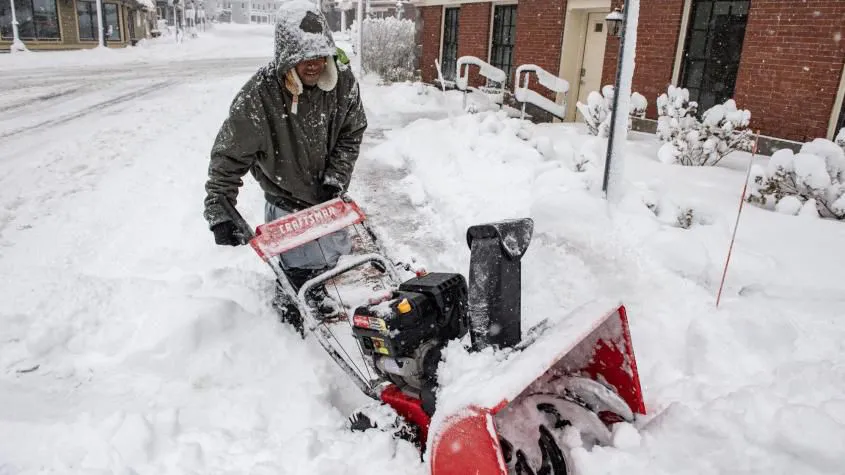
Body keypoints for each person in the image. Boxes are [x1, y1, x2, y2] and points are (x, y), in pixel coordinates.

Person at [202, 0, 367, 327]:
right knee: (298, 279)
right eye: (304, 57)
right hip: (287, 208)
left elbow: (353, 130)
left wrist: (336, 178)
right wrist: (220, 209)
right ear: (287, 56)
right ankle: (291, 329)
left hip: (327, 202)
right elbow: (229, 156)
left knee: (330, 267)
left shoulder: (341, 83)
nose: (314, 65)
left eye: (320, 55)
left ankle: (319, 306)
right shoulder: (260, 96)